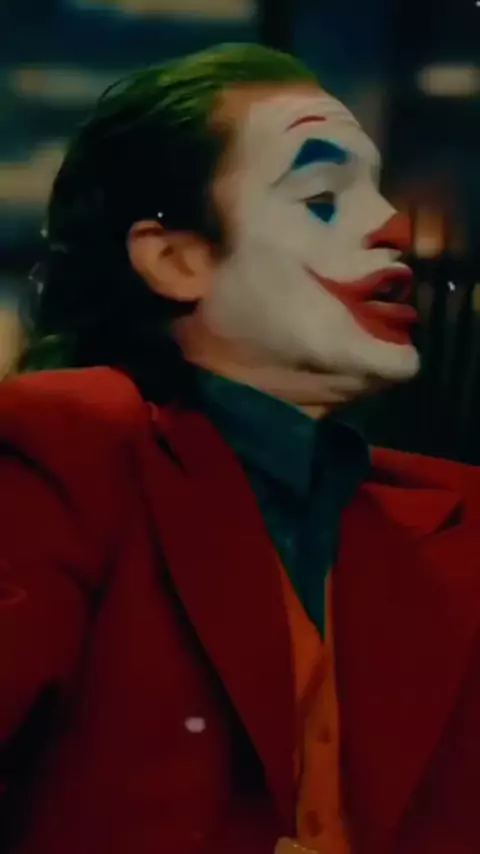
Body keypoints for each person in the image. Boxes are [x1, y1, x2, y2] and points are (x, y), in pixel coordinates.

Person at [0, 43, 478, 854]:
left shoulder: (458, 518)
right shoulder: (70, 449)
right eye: (322, 197)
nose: (393, 224)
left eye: (378, 189)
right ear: (177, 260)